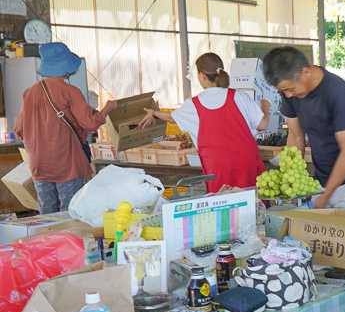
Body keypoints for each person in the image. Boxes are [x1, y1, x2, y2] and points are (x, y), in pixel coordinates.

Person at [261, 47, 345, 212]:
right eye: (283, 90)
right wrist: (293, 183)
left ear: (305, 72)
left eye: (290, 89)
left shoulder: (338, 93)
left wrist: (326, 196)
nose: (288, 95)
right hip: (322, 180)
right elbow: (295, 135)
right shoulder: (292, 92)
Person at [138, 53, 268, 193]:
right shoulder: (239, 96)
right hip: (246, 160)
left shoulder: (194, 104)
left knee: (223, 206)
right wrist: (265, 107)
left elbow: (171, 117)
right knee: (252, 202)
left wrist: (154, 113)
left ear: (203, 76)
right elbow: (262, 125)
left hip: (217, 165)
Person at [14, 42, 118, 213]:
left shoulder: (29, 92)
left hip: (39, 165)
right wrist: (108, 108)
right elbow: (90, 123)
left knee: (46, 215)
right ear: (66, 66)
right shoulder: (70, 92)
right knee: (70, 213)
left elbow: (19, 130)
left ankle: (48, 240)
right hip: (66, 163)